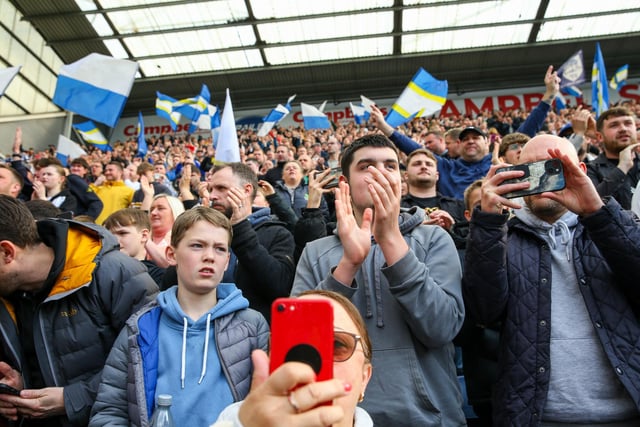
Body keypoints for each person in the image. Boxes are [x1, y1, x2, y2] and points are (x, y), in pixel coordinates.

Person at [462, 134, 640, 425]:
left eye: (553, 166)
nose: (542, 176)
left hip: (629, 411)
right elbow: (483, 311)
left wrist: (597, 213)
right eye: (530, 169)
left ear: (580, 170)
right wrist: (489, 222)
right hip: (539, 417)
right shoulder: (501, 238)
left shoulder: (616, 223)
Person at [292, 134, 466, 426]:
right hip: (340, 418)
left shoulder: (434, 239)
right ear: (344, 183)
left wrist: (390, 240)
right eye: (366, 166)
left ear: (401, 181)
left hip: (430, 417)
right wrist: (348, 265)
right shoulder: (316, 252)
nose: (379, 174)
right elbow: (299, 344)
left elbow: (442, 328)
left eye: (389, 166)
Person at [89, 207, 269, 427]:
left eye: (220, 249)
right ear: (171, 255)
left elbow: (267, 406)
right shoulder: (140, 326)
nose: (209, 256)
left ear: (227, 261)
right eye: (197, 246)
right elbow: (109, 411)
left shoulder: (252, 325)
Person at [0, 195, 157, 426]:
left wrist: (71, 399)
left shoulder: (114, 273)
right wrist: (18, 392)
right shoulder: (9, 293)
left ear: (7, 252)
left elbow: (151, 361)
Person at [214, 290, 373, 427]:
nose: (309, 364)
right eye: (293, 347)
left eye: (337, 344)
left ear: (364, 378)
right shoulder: (235, 421)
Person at [187, 162, 295, 322]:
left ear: (246, 190)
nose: (212, 196)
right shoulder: (205, 233)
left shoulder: (277, 233)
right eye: (210, 190)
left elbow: (280, 288)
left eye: (221, 188)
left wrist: (240, 227)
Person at [400, 148, 467, 248]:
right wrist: (414, 230)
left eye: (429, 164)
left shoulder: (459, 205)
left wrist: (453, 227)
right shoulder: (397, 207)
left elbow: (472, 244)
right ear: (406, 175)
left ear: (437, 176)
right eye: (417, 164)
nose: (423, 167)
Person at [586, 106, 639, 210]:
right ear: (600, 136)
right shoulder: (591, 169)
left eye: (628, 123)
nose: (623, 129)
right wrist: (621, 169)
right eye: (614, 125)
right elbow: (591, 205)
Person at [104, 208, 166, 287]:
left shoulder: (159, 276)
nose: (115, 240)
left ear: (144, 236)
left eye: (122, 233)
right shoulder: (99, 272)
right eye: (110, 235)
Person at [145, 194, 185, 268]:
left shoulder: (183, 239)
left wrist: (145, 240)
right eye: (151, 209)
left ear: (174, 211)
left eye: (160, 208)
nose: (153, 213)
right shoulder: (140, 236)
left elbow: (170, 265)